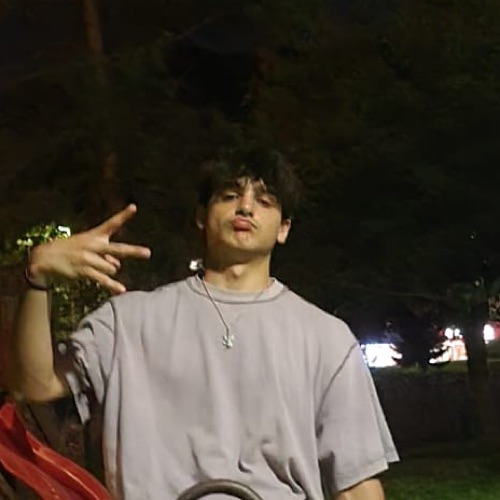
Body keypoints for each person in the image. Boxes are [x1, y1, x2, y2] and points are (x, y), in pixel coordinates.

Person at [7, 150, 398, 499]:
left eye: (264, 201)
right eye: (229, 196)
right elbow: (34, 385)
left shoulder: (327, 338)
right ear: (200, 216)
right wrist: (37, 276)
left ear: (284, 228)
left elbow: (356, 485)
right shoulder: (126, 321)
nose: (245, 207)